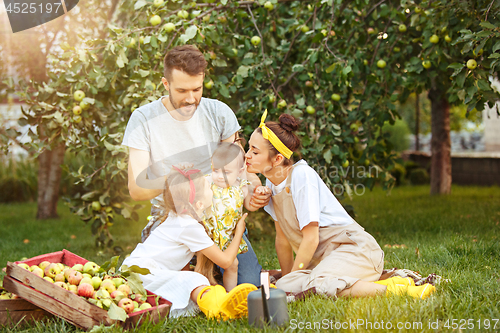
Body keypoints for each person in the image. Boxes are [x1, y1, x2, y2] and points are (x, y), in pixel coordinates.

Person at [244, 110, 436, 299]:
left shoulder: (302, 176)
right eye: (248, 148)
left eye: (255, 151)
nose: (247, 155)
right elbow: (282, 239)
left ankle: (400, 289)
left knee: (316, 283)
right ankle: (344, 282)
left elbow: (311, 239)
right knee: (287, 284)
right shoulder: (271, 184)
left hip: (356, 250)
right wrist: (288, 279)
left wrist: (295, 277)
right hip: (326, 261)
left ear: (277, 159)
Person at [122, 45, 268, 286]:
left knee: (249, 285)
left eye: (197, 89)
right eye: (181, 90)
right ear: (165, 84)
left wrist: (253, 191)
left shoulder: (219, 113)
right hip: (173, 217)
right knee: (152, 285)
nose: (191, 98)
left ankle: (211, 271)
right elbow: (137, 189)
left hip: (221, 218)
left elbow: (241, 170)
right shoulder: (143, 119)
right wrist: (190, 179)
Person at [121, 166, 257, 318]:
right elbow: (225, 261)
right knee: (196, 279)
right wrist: (239, 231)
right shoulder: (189, 226)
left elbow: (181, 264)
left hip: (133, 271)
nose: (212, 187)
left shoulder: (177, 218)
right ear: (199, 204)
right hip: (142, 276)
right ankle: (220, 307)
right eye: (208, 186)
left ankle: (219, 297)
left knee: (189, 280)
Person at [197, 143, 264, 291]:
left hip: (230, 237)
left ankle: (230, 293)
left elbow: (251, 204)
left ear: (240, 172)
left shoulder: (242, 187)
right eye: (216, 170)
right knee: (202, 265)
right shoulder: (207, 182)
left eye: (226, 172)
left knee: (233, 265)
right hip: (208, 236)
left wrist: (261, 192)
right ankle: (201, 290)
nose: (220, 176)